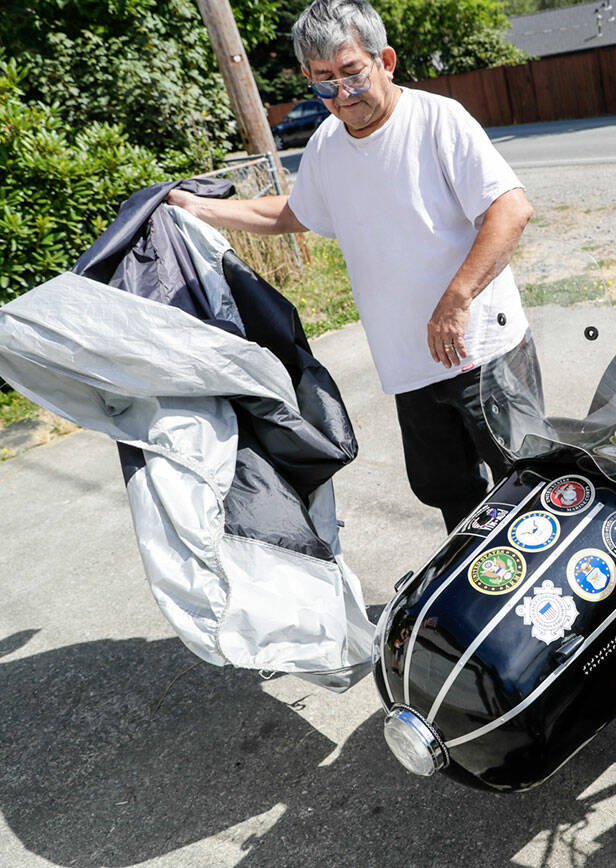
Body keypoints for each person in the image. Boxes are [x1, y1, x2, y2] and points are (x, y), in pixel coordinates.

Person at [168, 0, 533, 530]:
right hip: (409, 366)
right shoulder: (325, 146)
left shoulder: (437, 120)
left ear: (384, 60)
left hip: (482, 351)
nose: (341, 94)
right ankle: (474, 598)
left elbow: (511, 208)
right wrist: (198, 208)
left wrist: (456, 301)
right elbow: (295, 213)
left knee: (526, 486)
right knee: (454, 498)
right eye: (323, 81)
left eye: (351, 73)